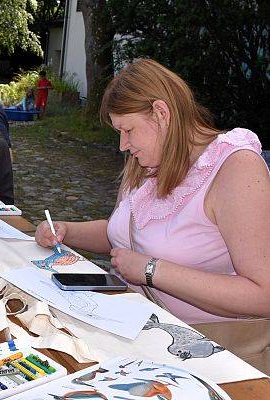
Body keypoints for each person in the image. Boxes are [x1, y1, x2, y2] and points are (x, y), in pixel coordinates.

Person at [35, 58, 270, 326]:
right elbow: (121, 237)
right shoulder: (145, 162)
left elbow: (263, 295)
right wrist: (67, 230)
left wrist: (152, 270)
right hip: (131, 326)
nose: (123, 145)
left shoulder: (235, 168)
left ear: (161, 113)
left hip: (203, 348)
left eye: (128, 130)